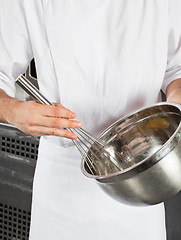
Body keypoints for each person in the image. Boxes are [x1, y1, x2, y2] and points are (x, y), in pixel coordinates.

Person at [0, 1, 181, 239]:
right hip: (62, 181)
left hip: (143, 171)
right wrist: (13, 111)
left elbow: (176, 68)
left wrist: (175, 107)